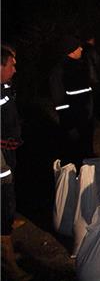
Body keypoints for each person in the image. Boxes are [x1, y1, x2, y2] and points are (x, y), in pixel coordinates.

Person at [1, 45, 32, 281]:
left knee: (8, 203)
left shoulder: (4, 88)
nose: (15, 68)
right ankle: (9, 264)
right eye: (11, 64)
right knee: (3, 204)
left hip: (7, 152)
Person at [48, 35, 95, 170]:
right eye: (77, 47)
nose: (81, 48)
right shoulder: (60, 71)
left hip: (86, 122)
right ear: (71, 50)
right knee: (75, 158)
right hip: (74, 125)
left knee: (87, 157)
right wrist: (70, 127)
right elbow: (60, 102)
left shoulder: (80, 66)